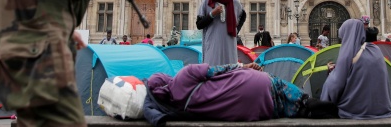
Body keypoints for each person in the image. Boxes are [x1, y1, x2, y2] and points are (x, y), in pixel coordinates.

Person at [144, 62, 338, 126]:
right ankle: (311, 102)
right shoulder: (184, 75)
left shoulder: (177, 105)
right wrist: (244, 66)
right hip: (252, 83)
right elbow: (219, 69)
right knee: (290, 94)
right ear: (165, 77)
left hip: (254, 110)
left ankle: (309, 111)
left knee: (290, 110)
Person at [321, 20, 391, 119]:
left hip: (356, 110)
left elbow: (335, 86)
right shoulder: (376, 49)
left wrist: (331, 73)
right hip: (382, 109)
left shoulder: (348, 53)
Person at [196, 0, 246, 66]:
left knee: (229, 70)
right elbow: (199, 25)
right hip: (212, 44)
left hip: (229, 44)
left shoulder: (235, 3)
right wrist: (212, 14)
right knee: (212, 70)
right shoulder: (207, 2)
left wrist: (235, 30)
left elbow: (243, 15)